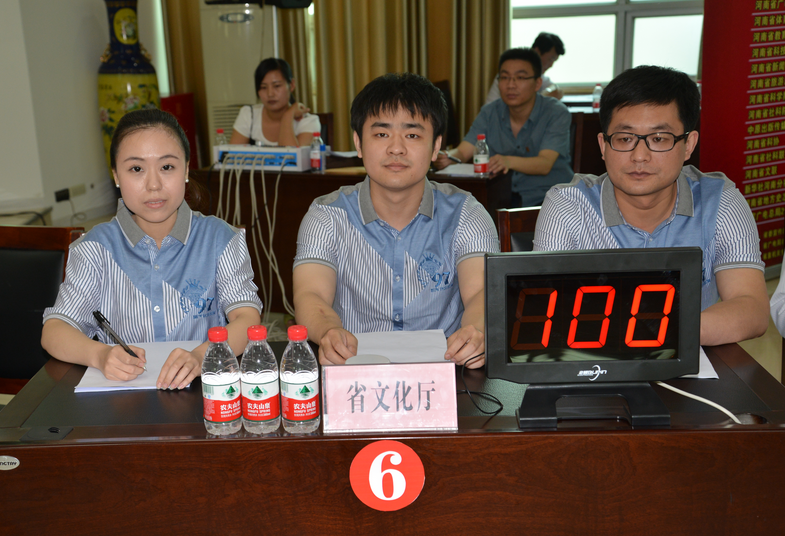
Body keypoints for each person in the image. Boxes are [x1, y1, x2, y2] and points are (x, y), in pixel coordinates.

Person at [533, 65, 769, 346]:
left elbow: (752, 308)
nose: (639, 156)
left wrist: (652, 335)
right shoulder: (569, 206)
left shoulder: (719, 201)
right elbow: (545, 312)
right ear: (603, 145)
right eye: (625, 139)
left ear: (689, 144)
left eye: (658, 139)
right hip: (595, 364)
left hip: (693, 363)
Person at [42, 109, 262, 388]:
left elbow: (247, 318)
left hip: (206, 390)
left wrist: (201, 357)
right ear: (116, 176)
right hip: (124, 396)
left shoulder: (221, 239)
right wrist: (100, 355)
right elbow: (55, 331)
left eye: (167, 167)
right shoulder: (94, 249)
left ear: (186, 169)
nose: (154, 185)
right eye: (136, 169)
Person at [292, 73, 500, 369]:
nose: (396, 148)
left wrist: (476, 332)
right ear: (358, 143)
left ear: (436, 146)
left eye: (412, 135)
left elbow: (482, 291)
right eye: (381, 134)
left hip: (446, 372)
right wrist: (328, 333)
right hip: (355, 370)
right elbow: (310, 294)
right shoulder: (327, 216)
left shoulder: (466, 213)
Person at [435, 47, 573, 208]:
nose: (510, 85)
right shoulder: (489, 112)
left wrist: (507, 161)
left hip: (551, 200)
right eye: (505, 77)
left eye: (520, 77)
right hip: (502, 199)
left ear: (537, 83)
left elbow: (545, 164)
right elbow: (462, 152)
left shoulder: (556, 112)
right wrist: (447, 157)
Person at [229, 57, 320, 147]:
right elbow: (232, 155)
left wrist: (287, 116)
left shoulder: (308, 122)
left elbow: (290, 155)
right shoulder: (249, 115)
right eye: (263, 87)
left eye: (277, 86)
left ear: (292, 85)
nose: (270, 94)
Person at [486, 32, 566, 104]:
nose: (551, 65)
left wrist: (544, 95)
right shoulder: (508, 75)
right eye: (550, 59)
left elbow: (556, 90)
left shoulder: (539, 77)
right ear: (537, 52)